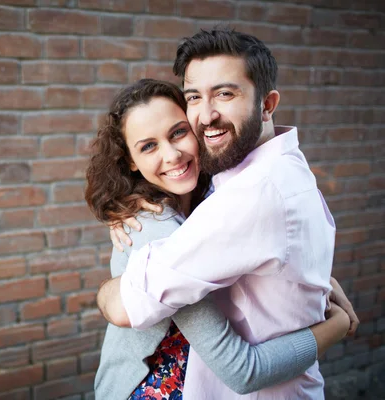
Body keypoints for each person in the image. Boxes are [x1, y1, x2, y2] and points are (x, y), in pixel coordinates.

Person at [96, 29, 359, 399]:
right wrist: (336, 317)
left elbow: (124, 303)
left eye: (224, 93)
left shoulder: (243, 194)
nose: (207, 115)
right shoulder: (275, 170)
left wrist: (325, 289)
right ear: (131, 163)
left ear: (267, 105)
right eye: (193, 97)